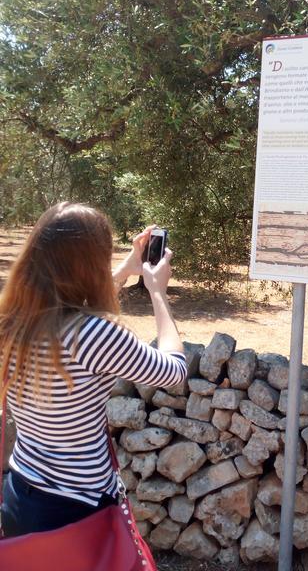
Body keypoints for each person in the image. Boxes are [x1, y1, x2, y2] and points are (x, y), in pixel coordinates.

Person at [0, 202, 186, 537]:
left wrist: (128, 268)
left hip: (20, 494)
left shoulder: (14, 321)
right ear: (90, 264)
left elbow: (71, 311)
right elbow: (174, 371)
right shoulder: (94, 335)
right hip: (75, 512)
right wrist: (158, 293)